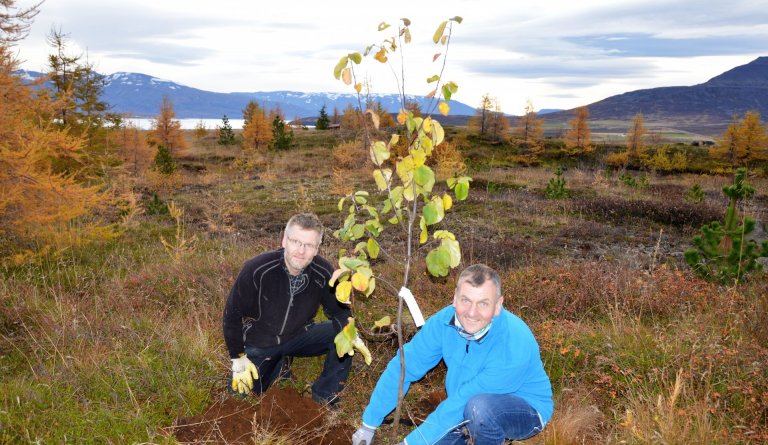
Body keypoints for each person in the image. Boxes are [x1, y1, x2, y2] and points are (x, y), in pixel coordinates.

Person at [352, 264, 553, 445]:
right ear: (454, 299)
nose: (472, 313)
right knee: (462, 418)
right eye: (466, 300)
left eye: (483, 303)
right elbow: (405, 366)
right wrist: (368, 424)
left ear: (498, 305)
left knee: (480, 409)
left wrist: (411, 443)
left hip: (525, 409)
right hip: (463, 406)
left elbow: (466, 399)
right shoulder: (443, 322)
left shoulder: (514, 342)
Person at [223, 212, 363, 406]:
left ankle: (324, 395)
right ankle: (279, 363)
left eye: (309, 245)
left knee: (341, 333)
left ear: (316, 249)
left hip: (299, 336)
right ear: (284, 241)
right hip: (261, 343)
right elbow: (232, 315)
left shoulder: (323, 272)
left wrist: (349, 333)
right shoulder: (258, 269)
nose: (301, 250)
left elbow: (339, 312)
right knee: (241, 401)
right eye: (296, 241)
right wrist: (238, 358)